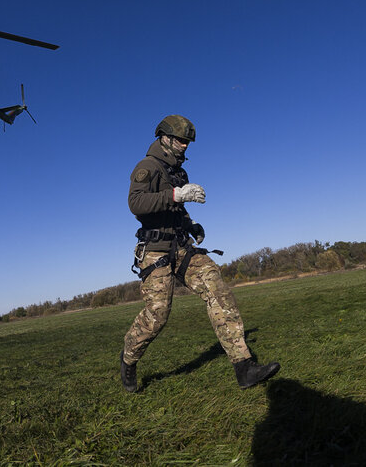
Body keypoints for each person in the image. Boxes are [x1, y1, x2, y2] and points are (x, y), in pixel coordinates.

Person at [120, 114, 280, 392]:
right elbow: (136, 203)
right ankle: (128, 359)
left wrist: (190, 223)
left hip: (181, 248)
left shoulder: (177, 172)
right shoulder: (147, 166)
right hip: (155, 251)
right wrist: (176, 196)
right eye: (181, 140)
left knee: (217, 289)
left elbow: (175, 211)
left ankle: (244, 368)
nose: (185, 146)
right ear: (165, 138)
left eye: (187, 142)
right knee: (157, 315)